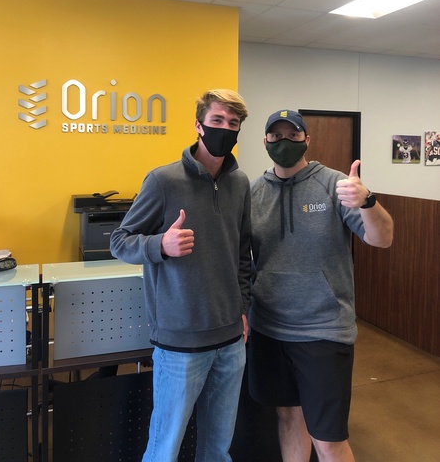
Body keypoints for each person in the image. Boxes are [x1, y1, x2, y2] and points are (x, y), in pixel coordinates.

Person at [110, 89, 251, 462]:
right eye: (217, 120)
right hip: (179, 343)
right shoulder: (163, 181)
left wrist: (243, 309)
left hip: (230, 341)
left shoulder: (241, 185)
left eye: (233, 123)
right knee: (165, 447)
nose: (225, 128)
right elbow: (119, 241)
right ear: (199, 125)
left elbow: (241, 255)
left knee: (218, 448)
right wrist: (160, 245)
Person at [248, 109, 394, 462]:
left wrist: (369, 202)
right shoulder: (254, 192)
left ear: (307, 140)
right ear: (265, 141)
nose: (284, 142)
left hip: (323, 332)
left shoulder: (335, 184)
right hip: (269, 330)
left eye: (293, 135)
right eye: (276, 136)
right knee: (287, 416)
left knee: (328, 440)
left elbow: (383, 238)